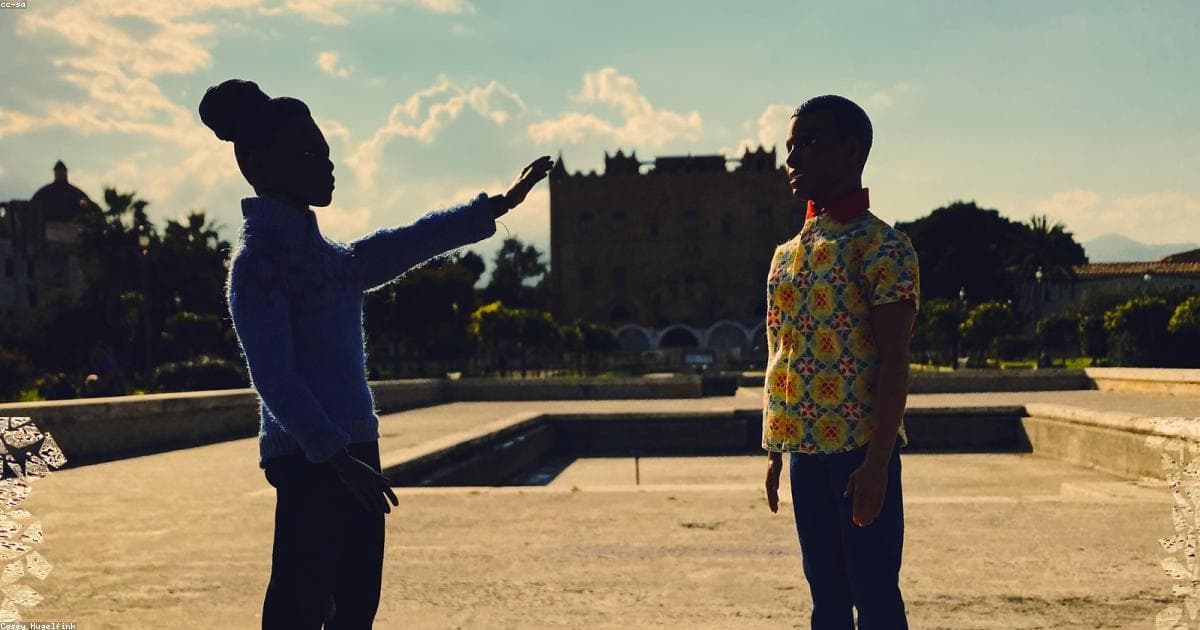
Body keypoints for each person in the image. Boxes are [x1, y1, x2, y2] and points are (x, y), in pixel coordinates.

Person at [198, 78, 552, 629]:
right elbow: (274, 378)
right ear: (265, 166)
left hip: (356, 454)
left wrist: (499, 205)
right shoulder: (259, 263)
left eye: (326, 151)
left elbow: (411, 239)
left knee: (356, 605)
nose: (328, 164)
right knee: (299, 603)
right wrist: (337, 459)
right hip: (312, 461)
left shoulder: (332, 261)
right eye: (311, 153)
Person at [761, 95, 920, 629]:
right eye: (790, 146)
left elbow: (896, 359)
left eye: (809, 143)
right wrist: (775, 450)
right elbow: (781, 354)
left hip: (858, 455)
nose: (793, 158)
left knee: (874, 597)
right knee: (825, 599)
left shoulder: (883, 248)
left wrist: (876, 464)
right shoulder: (786, 255)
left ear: (852, 151)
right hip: (805, 453)